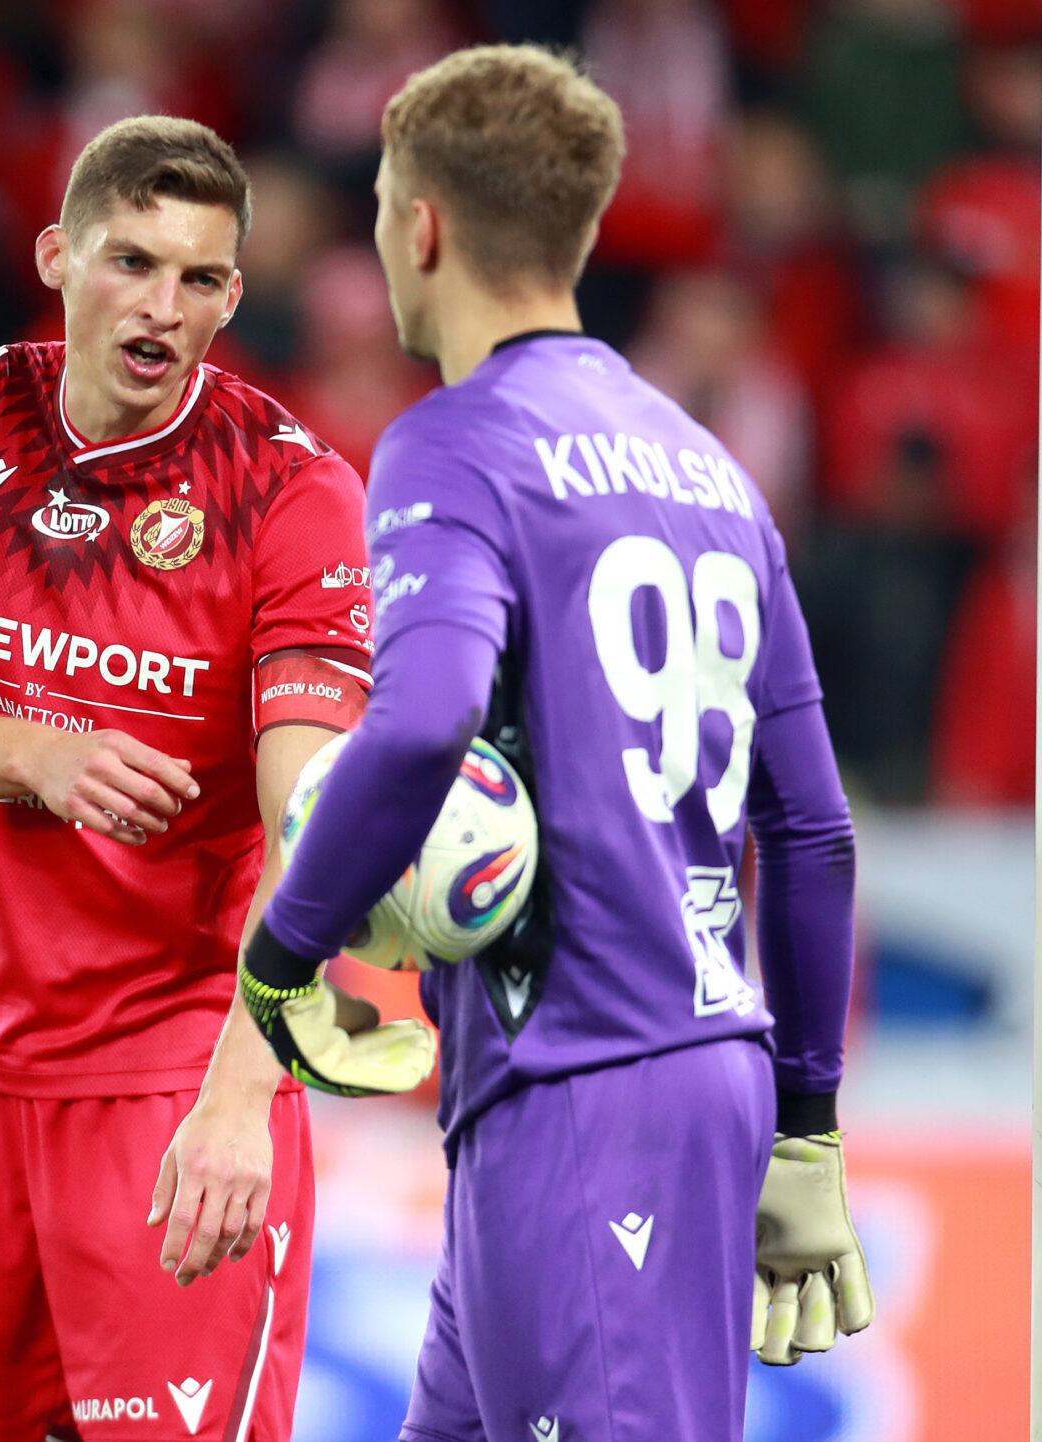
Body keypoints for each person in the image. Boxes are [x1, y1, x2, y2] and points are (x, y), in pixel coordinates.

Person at [235, 47, 873, 1438]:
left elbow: (420, 725)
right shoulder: (713, 468)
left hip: (584, 1089)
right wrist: (807, 1118)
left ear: (421, 227)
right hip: (666, 1070)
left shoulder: (453, 445)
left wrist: (285, 959)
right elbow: (811, 827)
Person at [0, 116, 432, 1442]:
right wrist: (38, 751)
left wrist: (237, 1097)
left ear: (234, 298)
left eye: (201, 279)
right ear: (57, 255)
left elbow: (309, 825)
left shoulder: (289, 491)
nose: (164, 307)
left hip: (170, 1083)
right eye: (133, 262)